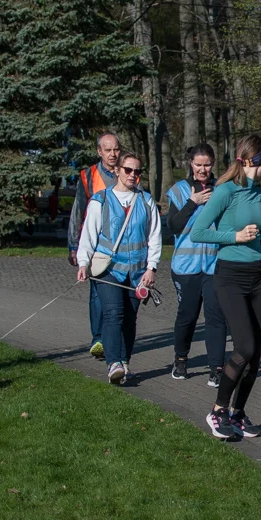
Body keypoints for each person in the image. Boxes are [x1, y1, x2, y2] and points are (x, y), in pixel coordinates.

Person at [189, 134, 261, 441]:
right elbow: (199, 232)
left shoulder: (256, 191)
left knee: (256, 353)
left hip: (257, 275)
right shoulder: (225, 191)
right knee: (244, 347)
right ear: (259, 159)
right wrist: (234, 237)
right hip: (229, 276)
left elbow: (258, 244)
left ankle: (238, 414)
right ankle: (218, 411)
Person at [75, 151, 162, 386]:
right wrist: (83, 263)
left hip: (137, 272)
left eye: (137, 171)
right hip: (108, 269)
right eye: (128, 170)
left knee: (130, 318)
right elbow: (88, 235)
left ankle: (124, 362)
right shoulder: (100, 200)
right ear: (117, 171)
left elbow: (154, 236)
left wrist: (151, 268)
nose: (133, 175)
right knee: (114, 313)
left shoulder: (146, 201)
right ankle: (113, 363)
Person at [166, 143, 227, 385]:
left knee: (216, 316)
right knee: (187, 316)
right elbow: (174, 226)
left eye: (207, 165)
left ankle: (217, 368)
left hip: (214, 265)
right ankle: (181, 359)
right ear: (190, 164)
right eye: (198, 164)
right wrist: (193, 203)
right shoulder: (179, 190)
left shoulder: (222, 188)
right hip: (186, 266)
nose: (203, 169)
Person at [69, 132, 123, 360]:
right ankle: (98, 339)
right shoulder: (88, 176)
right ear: (99, 152)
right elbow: (77, 212)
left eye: (116, 150)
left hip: (124, 247)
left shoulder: (129, 172)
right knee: (97, 294)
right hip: (97, 246)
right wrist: (74, 246)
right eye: (108, 150)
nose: (113, 154)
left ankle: (113, 338)